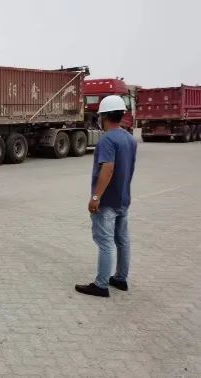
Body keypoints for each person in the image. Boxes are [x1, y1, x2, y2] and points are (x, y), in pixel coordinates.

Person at [75, 95, 137, 298]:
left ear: (105, 116)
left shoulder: (107, 140)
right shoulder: (129, 139)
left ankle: (101, 285)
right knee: (122, 240)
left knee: (105, 242)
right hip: (123, 198)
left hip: (107, 201)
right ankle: (120, 278)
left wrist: (96, 197)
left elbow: (108, 169)